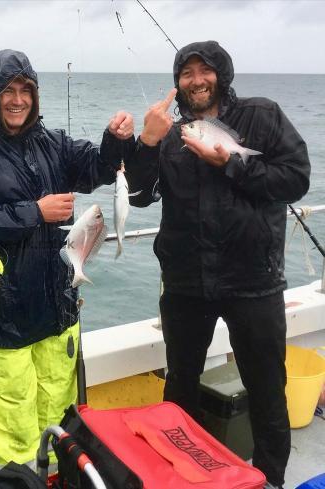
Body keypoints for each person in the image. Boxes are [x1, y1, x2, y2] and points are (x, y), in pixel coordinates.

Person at [125, 41, 310, 489]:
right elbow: (137, 196)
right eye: (186, 73)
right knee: (179, 387)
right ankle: (179, 478)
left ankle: (269, 480)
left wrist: (231, 164)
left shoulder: (261, 116)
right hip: (186, 282)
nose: (196, 80)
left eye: (204, 71)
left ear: (221, 74)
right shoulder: (170, 135)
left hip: (254, 280)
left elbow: (296, 179)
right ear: (177, 82)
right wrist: (146, 142)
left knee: (267, 389)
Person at [0, 49, 135, 474]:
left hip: (59, 312)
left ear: (35, 95)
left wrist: (115, 137)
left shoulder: (54, 143)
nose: (17, 100)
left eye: (25, 90)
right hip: (6, 317)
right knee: (13, 432)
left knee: (59, 421)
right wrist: (35, 211)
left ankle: (55, 480)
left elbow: (97, 169)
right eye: (7, 91)